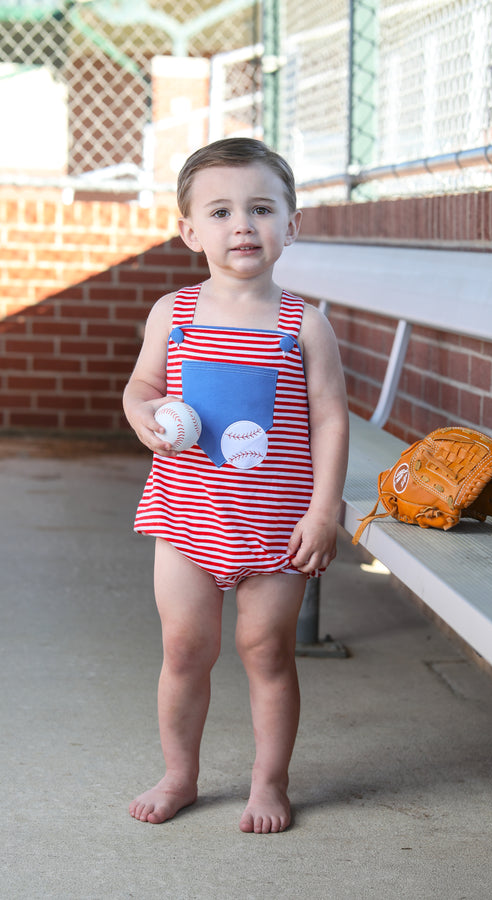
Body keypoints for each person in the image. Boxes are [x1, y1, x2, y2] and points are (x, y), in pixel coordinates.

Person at [123, 137, 349, 834]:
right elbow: (142, 390)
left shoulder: (303, 324)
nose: (242, 225)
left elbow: (333, 423)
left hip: (276, 524)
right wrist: (147, 420)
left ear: (292, 223)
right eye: (219, 211)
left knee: (267, 652)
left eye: (261, 208)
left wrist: (322, 512)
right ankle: (180, 773)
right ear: (190, 230)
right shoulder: (176, 313)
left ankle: (269, 780)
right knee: (186, 649)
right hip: (186, 518)